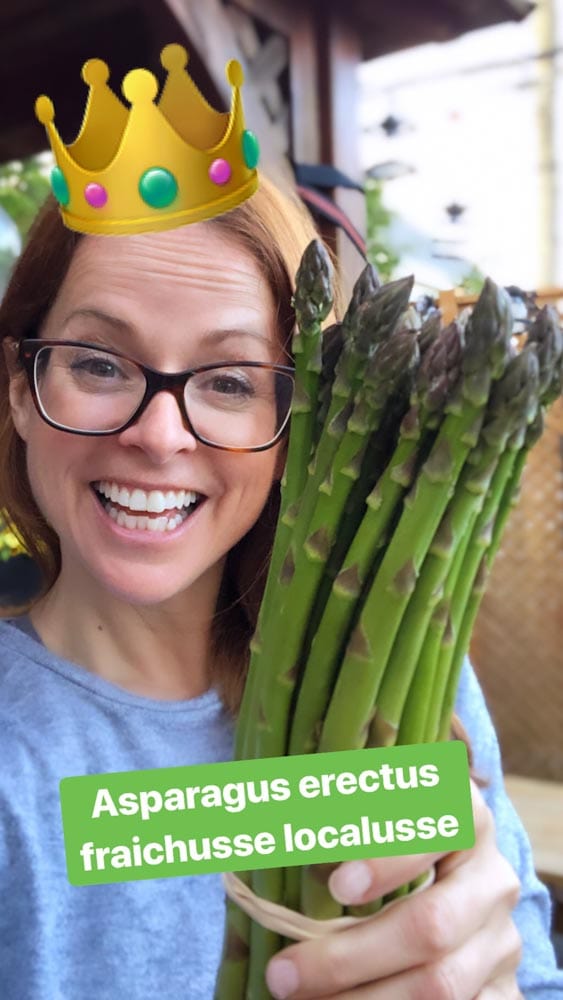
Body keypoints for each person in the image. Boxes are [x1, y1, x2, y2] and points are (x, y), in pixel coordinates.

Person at [0, 177, 561, 1000]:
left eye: (229, 381)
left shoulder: (409, 674)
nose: (159, 436)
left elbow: (535, 980)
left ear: (299, 418)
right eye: (96, 362)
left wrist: (492, 982)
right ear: (21, 389)